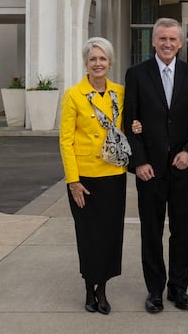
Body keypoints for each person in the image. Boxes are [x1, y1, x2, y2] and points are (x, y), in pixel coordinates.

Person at [124, 17, 188, 314]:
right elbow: (129, 123)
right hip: (150, 170)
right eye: (162, 39)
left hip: (183, 167)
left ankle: (179, 288)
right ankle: (155, 291)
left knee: (183, 230)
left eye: (173, 39)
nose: (167, 44)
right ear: (153, 42)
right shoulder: (137, 74)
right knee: (151, 230)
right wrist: (139, 162)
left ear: (180, 43)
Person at [59, 37, 126, 315]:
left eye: (102, 59)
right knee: (88, 235)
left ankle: (103, 288)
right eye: (93, 59)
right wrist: (73, 180)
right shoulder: (74, 94)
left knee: (110, 235)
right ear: (86, 63)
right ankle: (89, 286)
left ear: (110, 63)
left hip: (113, 174)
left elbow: (130, 124)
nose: (98, 64)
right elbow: (65, 140)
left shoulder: (120, 92)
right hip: (84, 178)